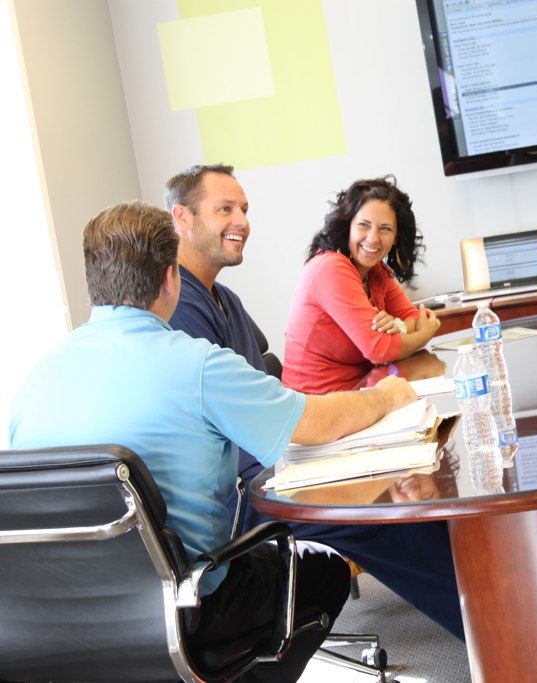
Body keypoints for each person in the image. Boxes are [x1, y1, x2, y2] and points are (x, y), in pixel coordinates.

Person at [8, 201, 418, 682]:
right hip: (185, 617)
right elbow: (314, 423)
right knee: (322, 571)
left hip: (45, 628)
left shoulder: (34, 381)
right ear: (171, 278)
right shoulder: (198, 365)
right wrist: (384, 396)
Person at [164, 164, 465, 640]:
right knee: (382, 516)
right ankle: (505, 642)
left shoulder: (225, 300)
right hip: (248, 493)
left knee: (414, 492)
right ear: (183, 217)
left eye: (244, 209)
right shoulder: (181, 309)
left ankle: (500, 620)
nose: (242, 220)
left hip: (280, 457)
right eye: (225, 209)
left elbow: (266, 408)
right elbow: (249, 428)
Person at [283, 176, 440, 394]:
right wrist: (423, 335)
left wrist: (398, 326)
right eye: (364, 225)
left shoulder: (375, 271)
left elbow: (413, 317)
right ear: (347, 226)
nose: (373, 239)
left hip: (363, 391)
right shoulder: (330, 268)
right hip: (317, 402)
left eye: (385, 229)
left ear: (396, 237)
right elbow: (379, 350)